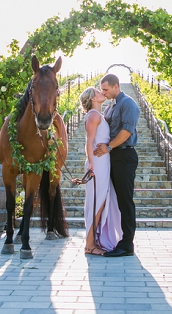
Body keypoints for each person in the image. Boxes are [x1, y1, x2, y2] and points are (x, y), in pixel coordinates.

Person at [93, 73, 140, 257]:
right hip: (114, 157)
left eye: (105, 89)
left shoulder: (128, 103)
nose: (103, 93)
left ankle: (127, 244)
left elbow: (127, 131)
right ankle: (113, 239)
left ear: (115, 86)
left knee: (125, 201)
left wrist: (109, 147)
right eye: (101, 90)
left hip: (125, 157)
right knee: (116, 201)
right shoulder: (112, 106)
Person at [74, 86, 122, 255]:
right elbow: (89, 141)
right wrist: (91, 164)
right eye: (98, 91)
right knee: (98, 201)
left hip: (103, 161)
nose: (102, 92)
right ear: (93, 99)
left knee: (101, 201)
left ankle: (93, 241)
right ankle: (89, 245)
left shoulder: (99, 115)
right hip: (98, 163)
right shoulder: (93, 115)